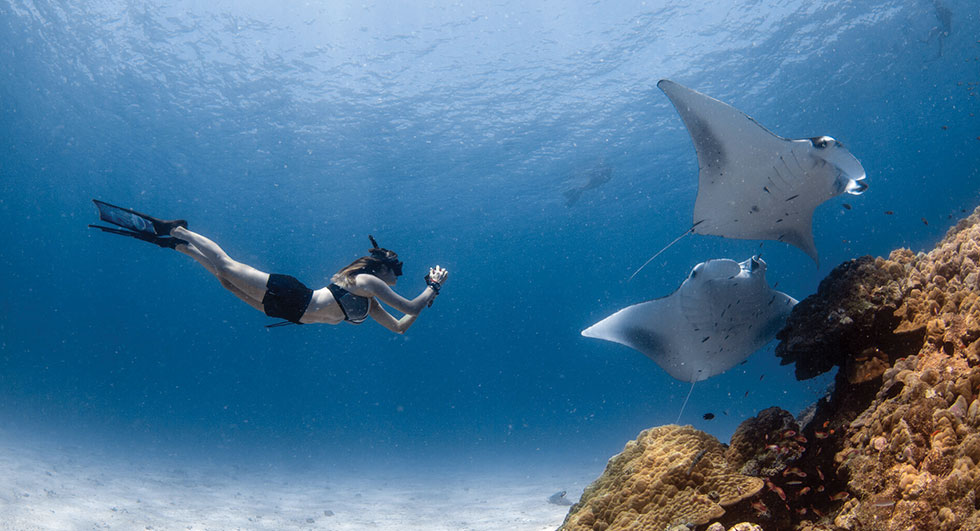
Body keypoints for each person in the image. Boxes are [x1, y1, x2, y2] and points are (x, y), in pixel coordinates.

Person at [88, 200, 448, 333]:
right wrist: (433, 286)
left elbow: (401, 326)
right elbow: (412, 305)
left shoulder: (370, 306)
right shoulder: (367, 281)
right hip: (296, 296)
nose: (397, 277)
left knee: (225, 282)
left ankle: (178, 246)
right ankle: (180, 230)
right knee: (228, 268)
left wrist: (428, 299)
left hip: (289, 314)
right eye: (396, 270)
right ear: (380, 267)